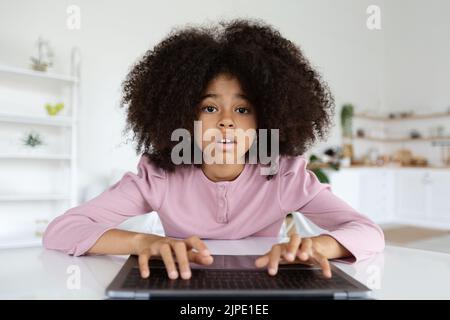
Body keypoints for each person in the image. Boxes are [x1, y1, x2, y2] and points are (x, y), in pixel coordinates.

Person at [43, 19, 384, 281]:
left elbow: (368, 233)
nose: (225, 123)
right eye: (208, 109)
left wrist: (317, 245)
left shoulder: (285, 176)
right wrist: (144, 243)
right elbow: (61, 230)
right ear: (182, 116)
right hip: (181, 287)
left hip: (262, 290)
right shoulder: (159, 176)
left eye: (242, 109)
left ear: (267, 119)